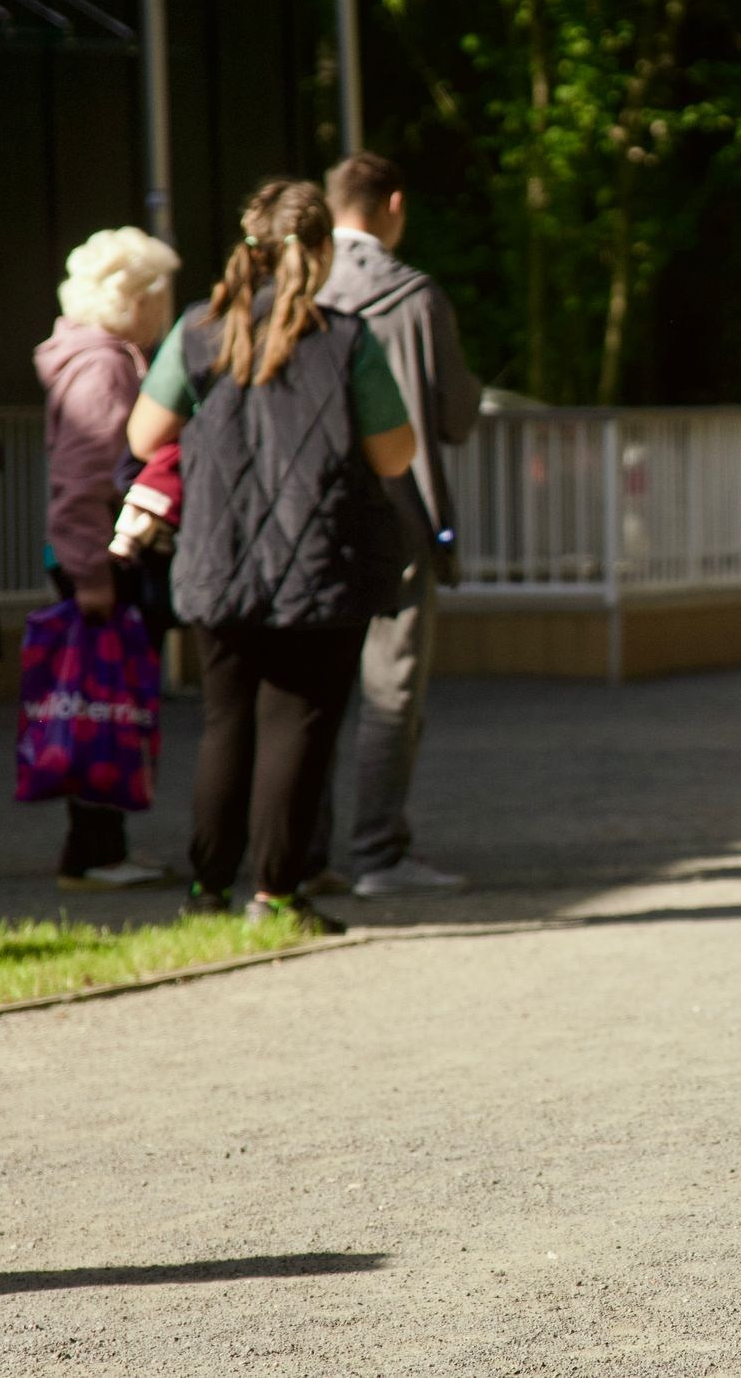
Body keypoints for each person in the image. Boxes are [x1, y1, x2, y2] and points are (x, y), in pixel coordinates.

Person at [127, 180, 416, 935]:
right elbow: (395, 455)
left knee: (225, 723)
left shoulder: (198, 329)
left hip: (216, 555)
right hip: (320, 561)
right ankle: (276, 894)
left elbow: (142, 434)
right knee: (297, 725)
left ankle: (205, 891)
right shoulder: (346, 340)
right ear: (318, 253)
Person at [293, 151, 481, 899]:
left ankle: (300, 852)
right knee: (391, 686)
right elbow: (455, 412)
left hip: (303, 510)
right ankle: (379, 851)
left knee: (307, 683)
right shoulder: (415, 298)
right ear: (393, 204)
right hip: (397, 509)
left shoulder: (298, 287)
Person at [34, 226, 181, 890]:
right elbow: (84, 479)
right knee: (102, 703)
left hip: (91, 555)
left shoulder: (95, 356)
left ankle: (104, 843)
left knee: (104, 701)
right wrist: (93, 575)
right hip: (99, 560)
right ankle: (93, 850)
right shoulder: (104, 365)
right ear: (139, 300)